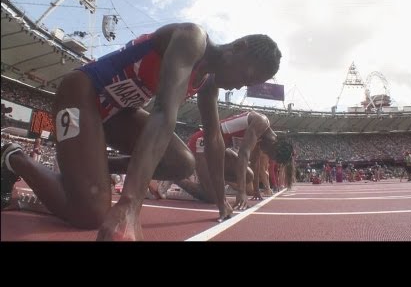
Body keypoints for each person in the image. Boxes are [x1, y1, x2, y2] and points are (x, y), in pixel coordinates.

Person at [0, 23, 282, 241]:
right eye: (247, 76)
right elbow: (163, 113)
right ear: (241, 46)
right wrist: (129, 204)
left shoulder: (209, 83)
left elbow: (214, 139)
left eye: (249, 85)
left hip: (117, 114)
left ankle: (90, 167)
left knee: (183, 162)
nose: (240, 86)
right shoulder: (192, 39)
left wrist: (222, 202)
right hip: (82, 93)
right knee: (91, 215)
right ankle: (12, 156)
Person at [160, 110, 294, 207]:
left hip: (219, 150)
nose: (269, 157)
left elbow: (255, 162)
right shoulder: (260, 122)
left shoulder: (264, 138)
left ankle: (209, 183)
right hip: (203, 143)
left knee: (249, 176)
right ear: (274, 144)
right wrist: (241, 192)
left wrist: (257, 191)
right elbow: (243, 155)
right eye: (271, 155)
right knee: (212, 197)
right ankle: (174, 177)